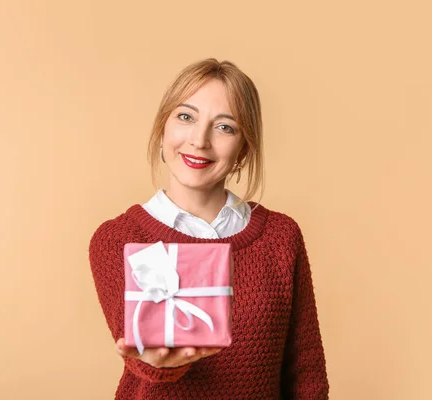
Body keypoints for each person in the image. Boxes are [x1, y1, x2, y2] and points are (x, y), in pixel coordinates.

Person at [88, 58, 329, 399]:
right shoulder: (117, 238)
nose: (200, 140)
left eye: (224, 127)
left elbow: (305, 369)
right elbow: (139, 352)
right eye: (186, 117)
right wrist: (158, 360)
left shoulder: (280, 237)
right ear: (162, 130)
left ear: (243, 149)